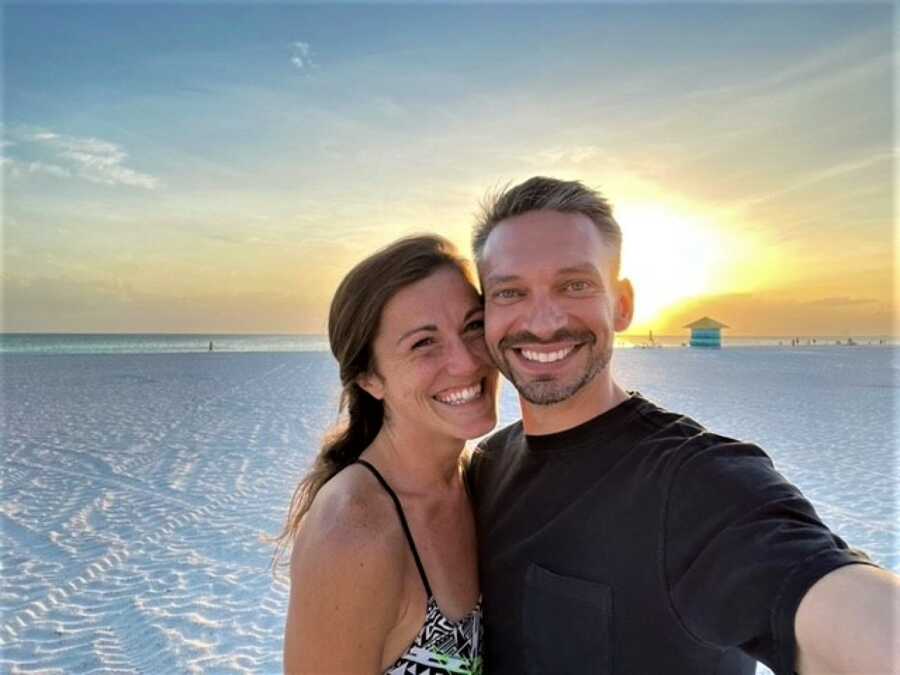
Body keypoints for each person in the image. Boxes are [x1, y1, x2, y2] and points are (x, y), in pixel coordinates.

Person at [466, 176, 899, 675]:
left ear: (622, 304)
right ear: (485, 314)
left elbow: (829, 595)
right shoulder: (486, 465)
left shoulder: (696, 482)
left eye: (575, 285)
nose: (541, 322)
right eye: (510, 292)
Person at [278, 235, 498, 674]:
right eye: (423, 343)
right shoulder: (353, 531)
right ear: (369, 378)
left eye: (473, 326)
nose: (466, 362)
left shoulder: (481, 479)